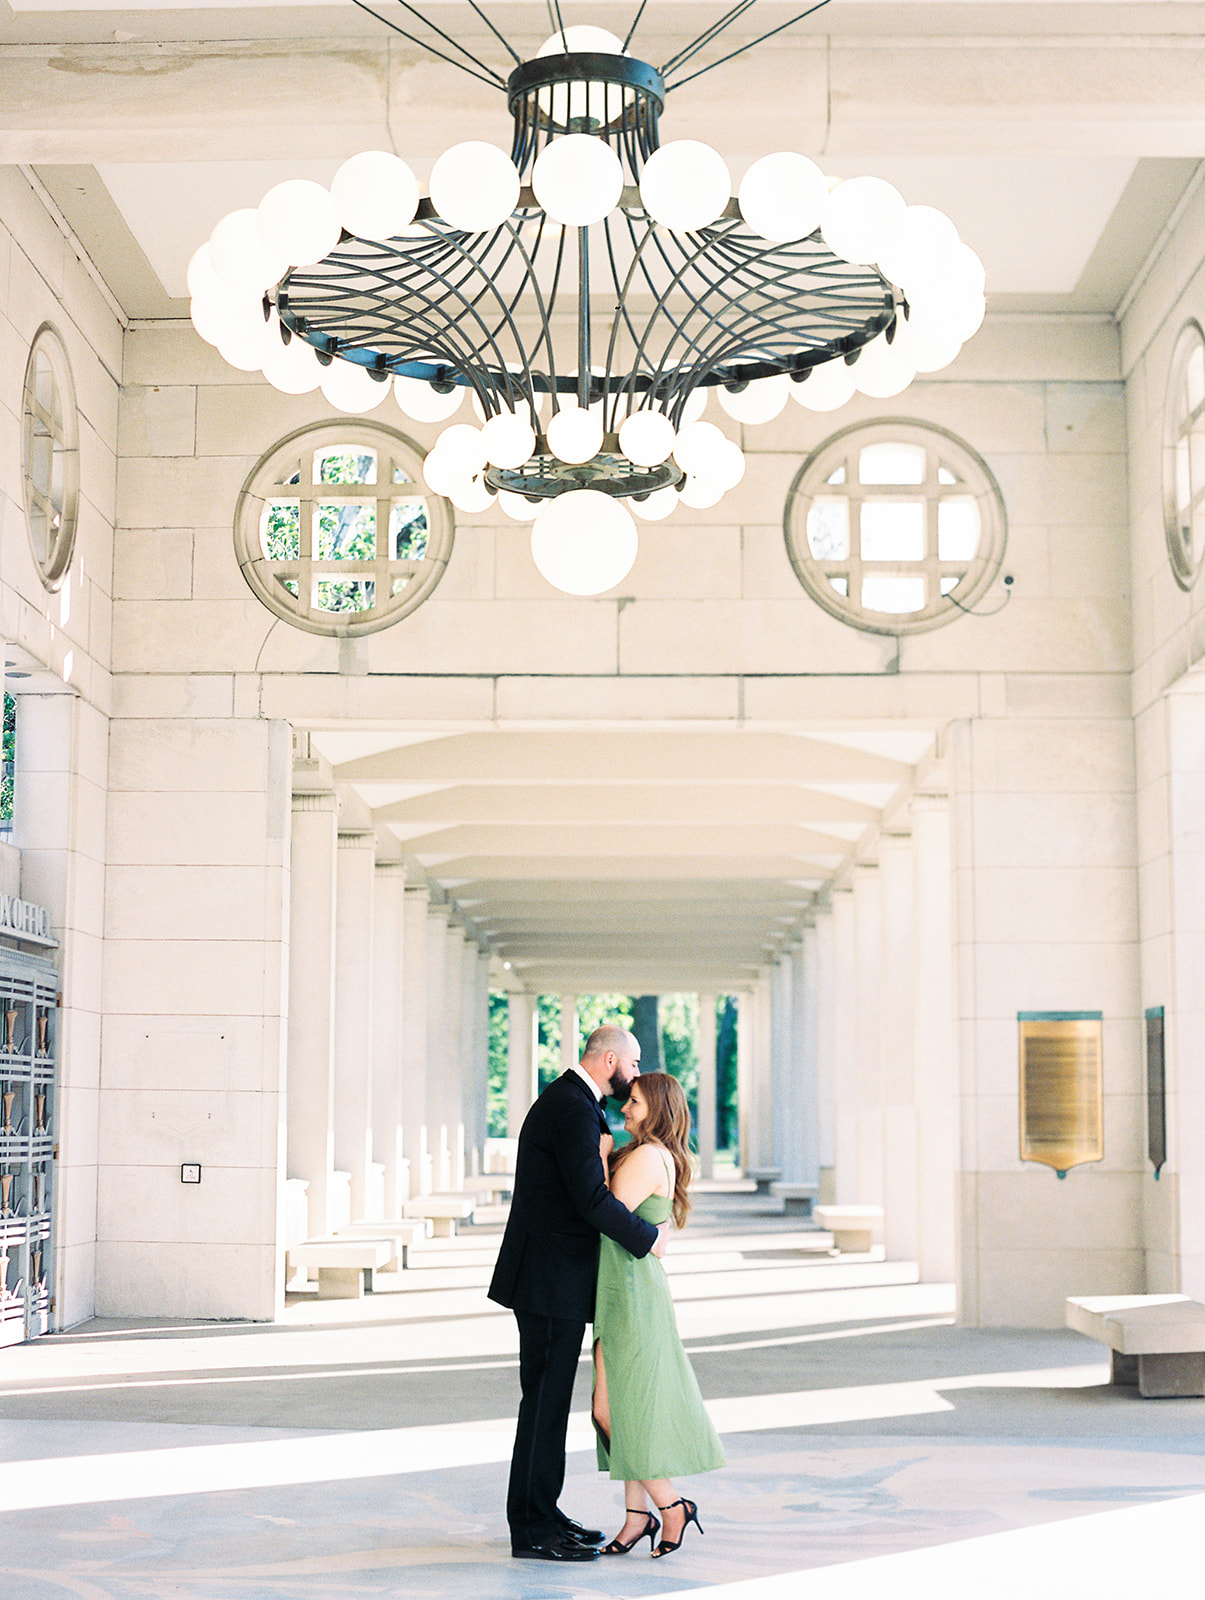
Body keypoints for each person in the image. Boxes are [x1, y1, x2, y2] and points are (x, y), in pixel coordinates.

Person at [488, 1024, 661, 1563]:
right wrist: (648, 1240)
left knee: (549, 1404)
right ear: (610, 1060)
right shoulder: (571, 1106)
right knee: (543, 1406)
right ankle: (533, 1529)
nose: (635, 1078)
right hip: (547, 1281)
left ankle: (544, 1513)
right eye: (631, 1068)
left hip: (551, 1278)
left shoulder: (573, 1102)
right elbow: (589, 1200)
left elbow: (576, 1189)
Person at [592, 1071, 725, 1559]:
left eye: (635, 1103)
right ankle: (635, 1518)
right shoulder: (654, 1154)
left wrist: (602, 1158)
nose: (625, 1108)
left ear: (659, 1111)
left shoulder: (648, 1155)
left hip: (630, 1291)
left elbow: (605, 1211)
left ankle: (672, 1506)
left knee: (612, 1410)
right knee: (627, 1407)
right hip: (625, 1288)